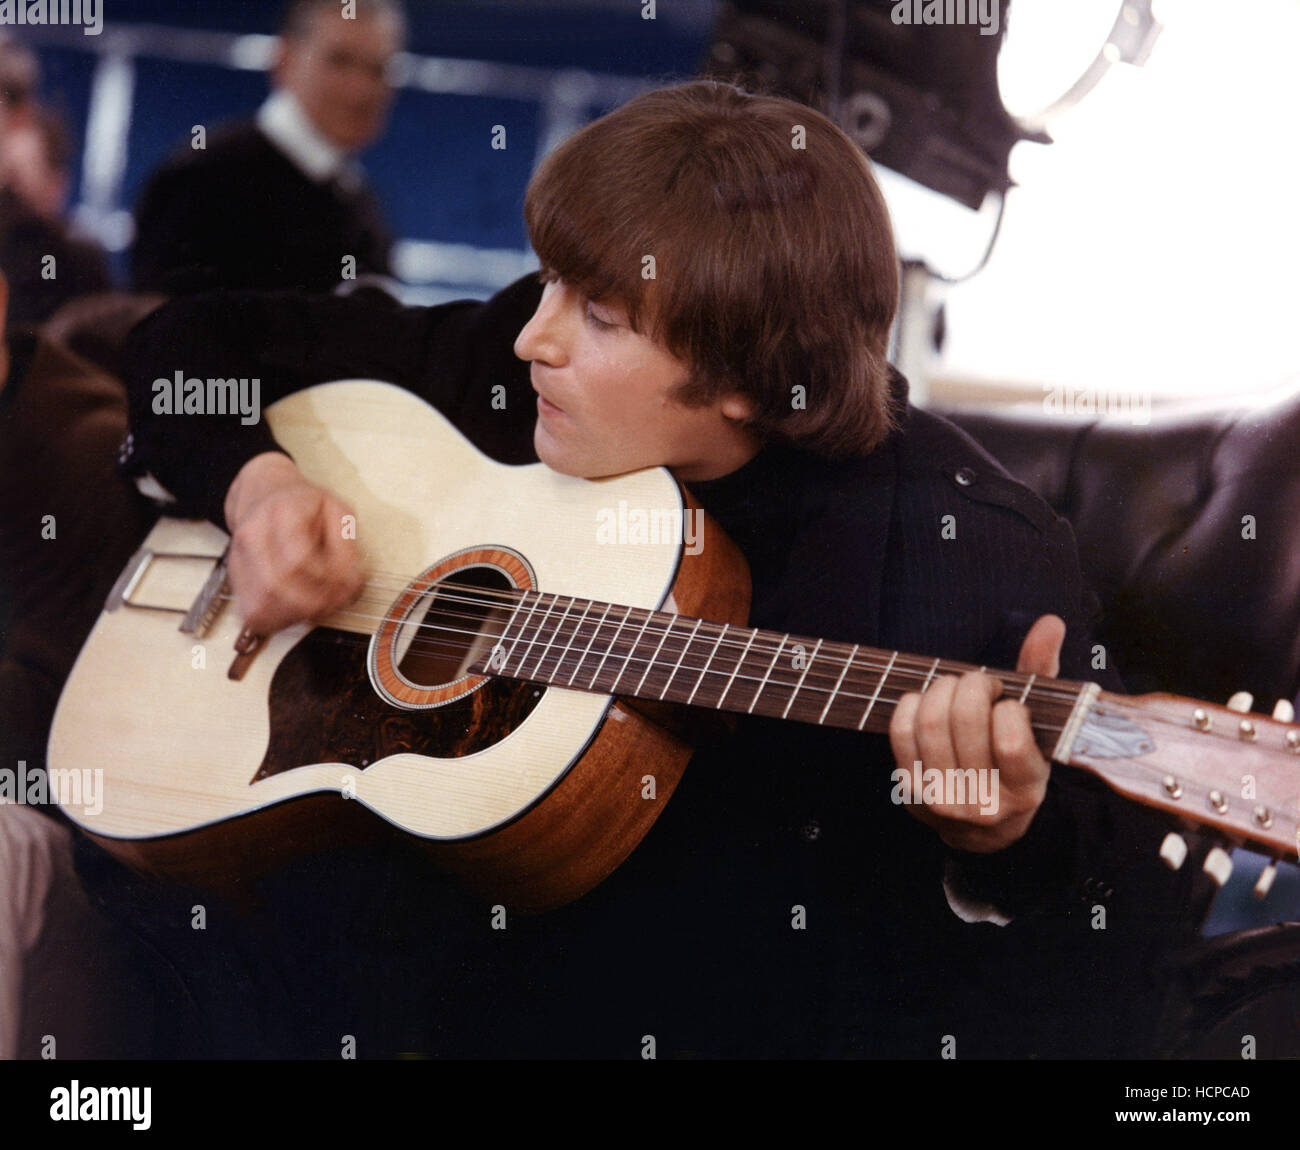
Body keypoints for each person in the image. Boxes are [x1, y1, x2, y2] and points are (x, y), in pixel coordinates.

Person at [110, 80, 1192, 1058]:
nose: (534, 337)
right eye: (548, 285)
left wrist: (994, 836)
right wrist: (256, 488)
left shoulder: (973, 552)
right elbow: (185, 344)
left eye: (601, 316)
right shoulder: (521, 364)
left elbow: (1093, 930)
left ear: (746, 378)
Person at [129, 0, 403, 296]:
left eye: (378, 70)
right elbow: (161, 327)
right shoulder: (203, 179)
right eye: (339, 61)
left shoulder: (357, 199)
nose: (360, 89)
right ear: (284, 59)